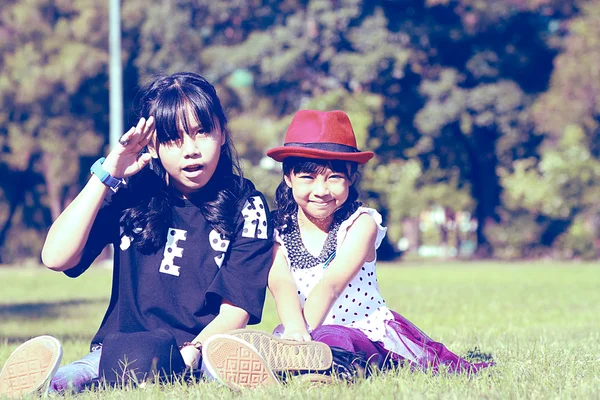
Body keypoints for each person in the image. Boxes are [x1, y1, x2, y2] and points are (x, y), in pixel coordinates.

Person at [0, 72, 275, 398]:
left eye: (202, 132)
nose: (191, 150)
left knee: (217, 371)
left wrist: (190, 353)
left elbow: (235, 312)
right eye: (174, 139)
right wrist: (107, 175)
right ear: (153, 147)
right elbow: (55, 257)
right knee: (83, 373)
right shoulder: (132, 194)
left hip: (202, 351)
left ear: (222, 133)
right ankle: (47, 384)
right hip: (119, 351)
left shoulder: (248, 206)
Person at [202, 109, 494, 390]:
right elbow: (281, 284)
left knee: (335, 338)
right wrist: (293, 331)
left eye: (334, 177)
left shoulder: (361, 224)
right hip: (301, 333)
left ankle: (315, 369)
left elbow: (330, 284)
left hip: (365, 333)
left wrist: (307, 336)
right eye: (307, 177)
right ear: (288, 177)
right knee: (300, 342)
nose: (321, 190)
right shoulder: (276, 228)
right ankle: (289, 366)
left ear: (351, 177)